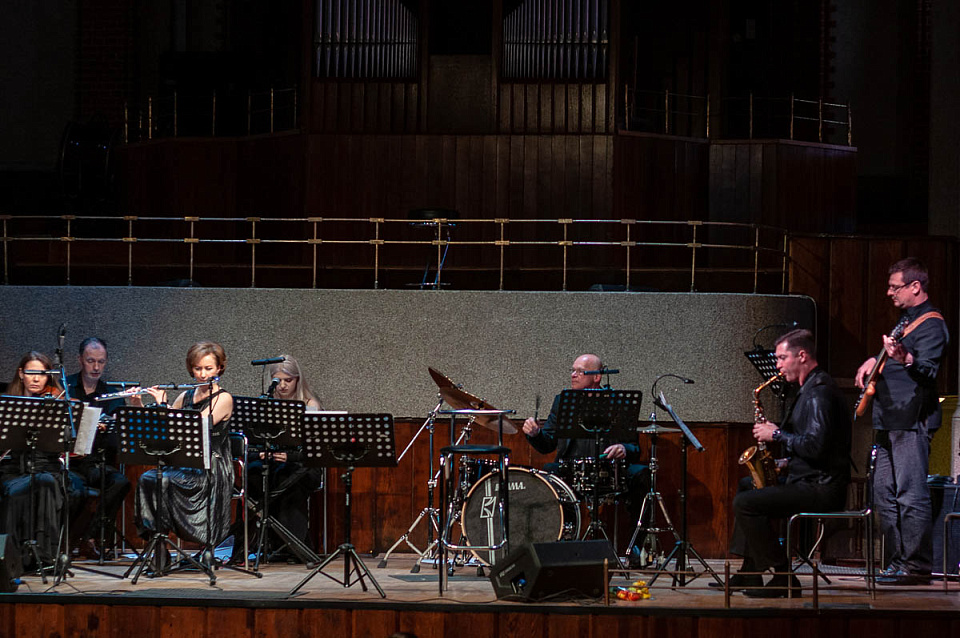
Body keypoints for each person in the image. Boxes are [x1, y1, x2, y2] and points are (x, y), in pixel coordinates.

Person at [729, 329, 851, 598]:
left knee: (745, 503)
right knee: (747, 486)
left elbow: (816, 447)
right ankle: (750, 573)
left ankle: (783, 575)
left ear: (802, 356)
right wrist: (783, 462)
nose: (777, 365)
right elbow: (815, 447)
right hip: (808, 479)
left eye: (782, 358)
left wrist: (776, 435)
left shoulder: (819, 394)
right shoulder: (809, 389)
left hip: (822, 488)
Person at [855, 257, 949, 585]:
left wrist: (905, 358)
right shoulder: (906, 320)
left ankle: (916, 566)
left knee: (910, 493)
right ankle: (897, 562)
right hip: (889, 419)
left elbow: (927, 370)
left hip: (912, 420)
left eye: (895, 287)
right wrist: (874, 359)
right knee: (884, 493)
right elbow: (894, 355)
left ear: (915, 286)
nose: (889, 292)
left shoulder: (932, 324)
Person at [522, 354, 648, 557]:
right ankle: (560, 546)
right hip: (571, 470)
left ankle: (637, 549)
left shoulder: (616, 402)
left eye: (580, 371)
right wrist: (535, 434)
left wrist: (624, 448)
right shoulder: (562, 401)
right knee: (547, 474)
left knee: (642, 474)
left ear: (597, 377)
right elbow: (547, 445)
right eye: (573, 370)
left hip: (610, 471)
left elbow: (634, 448)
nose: (573, 375)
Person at [134, 341, 235, 568]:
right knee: (148, 479)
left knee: (163, 480)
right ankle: (159, 547)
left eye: (208, 368)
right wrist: (138, 403)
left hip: (210, 465)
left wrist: (164, 405)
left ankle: (188, 546)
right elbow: (162, 430)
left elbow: (196, 427)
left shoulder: (223, 398)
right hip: (183, 463)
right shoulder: (185, 397)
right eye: (198, 368)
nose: (202, 374)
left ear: (219, 368)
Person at [232, 355, 324, 563]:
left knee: (287, 477)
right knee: (252, 475)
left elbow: (314, 450)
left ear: (298, 380)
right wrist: (260, 453)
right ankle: (246, 546)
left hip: (301, 464)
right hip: (271, 460)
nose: (282, 386)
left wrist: (290, 456)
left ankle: (293, 547)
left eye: (288, 380)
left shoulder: (310, 404)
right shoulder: (265, 403)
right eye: (278, 380)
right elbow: (253, 440)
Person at [64, 337, 131, 559]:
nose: (95, 367)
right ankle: (65, 542)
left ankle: (92, 538)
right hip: (69, 462)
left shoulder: (113, 396)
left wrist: (109, 428)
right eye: (90, 361)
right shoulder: (64, 388)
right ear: (80, 360)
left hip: (95, 461)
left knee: (120, 482)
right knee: (76, 490)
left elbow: (117, 441)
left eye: (101, 362)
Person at [0, 352, 68, 567]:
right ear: (21, 374)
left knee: (46, 481)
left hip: (46, 467)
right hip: (13, 471)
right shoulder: (7, 404)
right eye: (31, 373)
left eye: (42, 374)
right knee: (20, 489)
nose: (36, 379)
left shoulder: (56, 404)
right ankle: (14, 558)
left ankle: (45, 555)